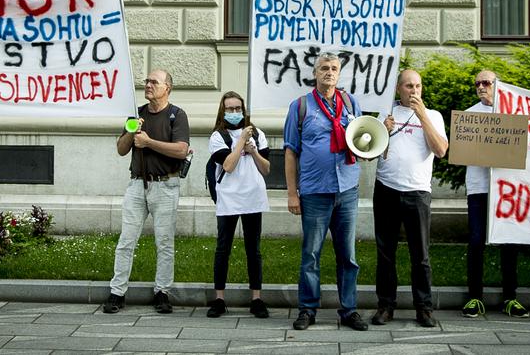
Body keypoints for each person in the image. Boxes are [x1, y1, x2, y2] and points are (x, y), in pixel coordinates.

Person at [283, 51, 367, 331]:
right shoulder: (300, 106)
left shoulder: (351, 102)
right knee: (311, 254)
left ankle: (349, 309)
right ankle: (308, 309)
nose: (329, 72)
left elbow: (362, 141)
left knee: (348, 255)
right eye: (323, 68)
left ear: (339, 74)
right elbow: (291, 152)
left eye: (333, 68)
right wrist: (292, 193)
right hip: (314, 192)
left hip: (347, 191)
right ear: (315, 73)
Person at [103, 69, 189, 315]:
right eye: (147, 81)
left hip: (166, 186)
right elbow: (121, 149)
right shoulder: (137, 114)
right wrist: (132, 132)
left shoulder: (177, 115)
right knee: (126, 241)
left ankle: (162, 292)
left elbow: (181, 150)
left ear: (167, 88)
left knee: (164, 243)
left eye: (154, 82)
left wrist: (149, 142)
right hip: (137, 185)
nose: (149, 85)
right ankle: (117, 292)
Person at [372, 69, 448, 328]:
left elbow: (440, 150)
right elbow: (371, 152)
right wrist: (383, 129)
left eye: (417, 86)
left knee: (421, 254)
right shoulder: (386, 114)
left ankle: (424, 308)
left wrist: (422, 115)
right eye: (408, 86)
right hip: (386, 190)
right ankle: (385, 305)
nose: (413, 91)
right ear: (398, 89)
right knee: (385, 253)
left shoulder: (433, 116)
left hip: (417, 192)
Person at [461, 69, 529, 319]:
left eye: (486, 82)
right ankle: (474, 297)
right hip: (479, 188)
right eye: (478, 83)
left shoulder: (512, 113)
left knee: (509, 242)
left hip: (507, 189)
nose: (481, 87)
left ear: (497, 85)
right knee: (477, 241)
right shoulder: (469, 116)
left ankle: (511, 297)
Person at [205, 91, 271, 319]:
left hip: (253, 195)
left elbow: (266, 169)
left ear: (244, 110)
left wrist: (252, 150)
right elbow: (229, 165)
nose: (234, 113)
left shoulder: (259, 134)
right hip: (229, 197)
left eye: (237, 108)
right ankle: (219, 299)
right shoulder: (218, 137)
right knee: (223, 248)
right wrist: (241, 140)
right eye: (229, 109)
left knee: (254, 249)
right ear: (223, 111)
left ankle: (256, 298)